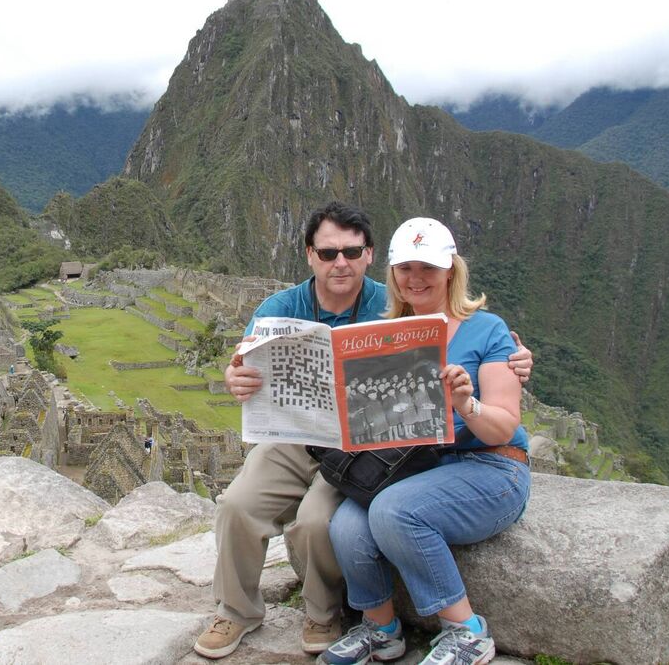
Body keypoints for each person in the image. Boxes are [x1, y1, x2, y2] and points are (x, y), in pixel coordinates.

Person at [194, 204, 533, 660]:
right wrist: (236, 378)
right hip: (307, 437)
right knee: (243, 504)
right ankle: (245, 612)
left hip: (386, 451)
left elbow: (501, 411)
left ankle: (331, 615)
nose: (341, 262)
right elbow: (242, 363)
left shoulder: (429, 318)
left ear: (369, 256)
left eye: (351, 251)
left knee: (323, 519)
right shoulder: (296, 310)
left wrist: (489, 384)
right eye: (329, 252)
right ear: (310, 255)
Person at [318, 217, 531, 665]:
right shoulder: (386, 335)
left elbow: (504, 427)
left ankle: (467, 632)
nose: (416, 279)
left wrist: (465, 404)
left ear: (451, 269)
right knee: (346, 523)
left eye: (428, 268)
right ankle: (381, 629)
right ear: (393, 274)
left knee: (394, 511)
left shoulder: (487, 330)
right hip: (417, 466)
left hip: (491, 467)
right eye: (406, 268)